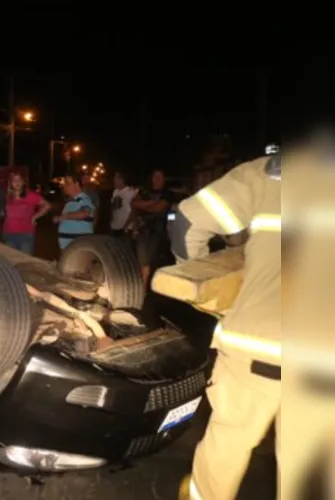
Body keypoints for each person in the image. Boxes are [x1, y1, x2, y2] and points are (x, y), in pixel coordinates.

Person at [172, 150, 281, 500]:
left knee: (227, 445)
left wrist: (207, 295)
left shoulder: (268, 173)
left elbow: (185, 222)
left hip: (257, 342)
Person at [130, 169, 177, 285]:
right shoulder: (144, 191)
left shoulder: (168, 193)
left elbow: (158, 208)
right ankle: (143, 289)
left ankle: (152, 287)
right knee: (143, 263)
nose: (157, 179)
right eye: (155, 176)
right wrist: (150, 204)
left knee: (155, 262)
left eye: (160, 176)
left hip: (158, 232)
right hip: (142, 230)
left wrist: (143, 205)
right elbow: (133, 203)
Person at [2, 172, 51, 255]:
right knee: (11, 262)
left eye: (19, 180)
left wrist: (35, 217)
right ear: (10, 183)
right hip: (9, 235)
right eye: (14, 180)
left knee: (25, 263)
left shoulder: (30, 195)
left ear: (23, 182)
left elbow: (47, 205)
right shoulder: (7, 197)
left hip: (25, 235)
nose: (17, 182)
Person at [52, 175, 95, 250]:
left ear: (77, 184)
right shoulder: (71, 201)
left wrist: (63, 217)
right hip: (70, 247)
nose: (64, 186)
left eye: (68, 183)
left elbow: (85, 213)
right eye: (64, 183)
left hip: (78, 248)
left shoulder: (83, 198)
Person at [109, 171, 138, 237]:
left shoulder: (131, 191)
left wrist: (126, 226)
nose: (114, 180)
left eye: (117, 178)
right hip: (115, 227)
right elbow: (113, 209)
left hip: (126, 229)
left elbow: (135, 210)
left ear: (123, 180)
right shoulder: (115, 192)